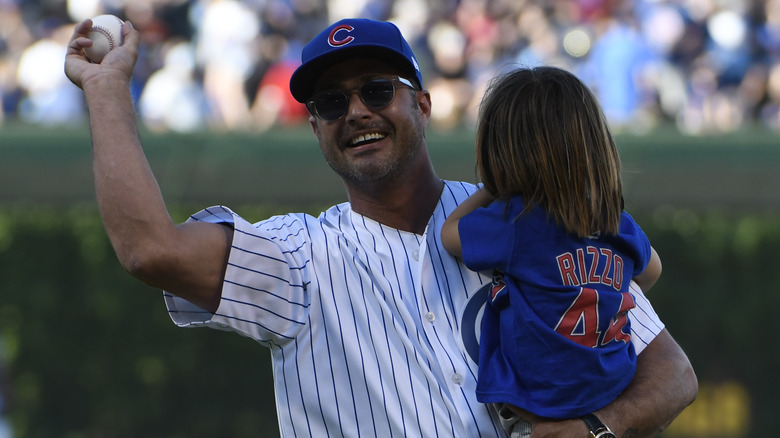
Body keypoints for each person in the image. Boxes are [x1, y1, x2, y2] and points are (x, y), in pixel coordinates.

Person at [64, 16, 697, 438]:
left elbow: (672, 374)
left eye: (374, 89)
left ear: (421, 104)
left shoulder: (530, 216)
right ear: (314, 127)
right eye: (331, 102)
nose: (356, 111)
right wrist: (106, 89)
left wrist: (596, 429)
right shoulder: (298, 258)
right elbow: (150, 250)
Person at [440, 66, 664, 437]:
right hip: (614, 396)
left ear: (502, 151)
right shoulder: (617, 223)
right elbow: (652, 271)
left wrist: (493, 188)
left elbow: (449, 234)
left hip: (540, 412)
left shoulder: (513, 224)